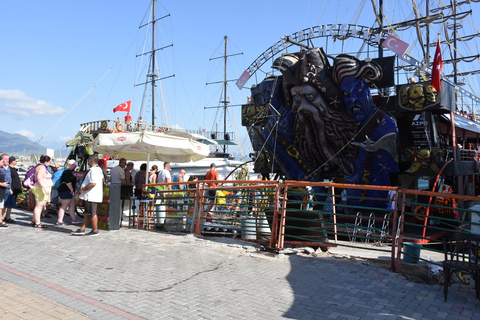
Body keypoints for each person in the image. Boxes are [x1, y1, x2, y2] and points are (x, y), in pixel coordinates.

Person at [72, 155, 103, 236]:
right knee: (87, 213)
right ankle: (82, 229)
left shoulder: (94, 170)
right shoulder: (98, 169)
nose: (88, 162)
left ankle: (95, 230)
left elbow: (93, 183)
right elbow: (103, 180)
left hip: (91, 195)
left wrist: (82, 189)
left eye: (88, 161)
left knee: (92, 213)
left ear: (91, 161)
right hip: (91, 195)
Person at [56, 160, 82, 225]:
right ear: (72, 165)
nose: (75, 167)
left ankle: (74, 219)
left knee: (71, 205)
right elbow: (68, 182)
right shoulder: (67, 172)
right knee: (64, 206)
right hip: (66, 191)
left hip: (66, 191)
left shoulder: (66, 171)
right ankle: (59, 220)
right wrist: (71, 189)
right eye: (74, 166)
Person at [31, 155, 53, 228]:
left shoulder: (39, 166)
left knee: (40, 205)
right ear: (46, 161)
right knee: (39, 206)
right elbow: (39, 178)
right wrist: (45, 188)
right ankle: (37, 222)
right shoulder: (42, 167)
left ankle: (34, 220)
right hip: (41, 188)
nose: (50, 163)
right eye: (49, 162)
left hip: (41, 188)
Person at [4, 156, 22, 223]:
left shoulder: (13, 169)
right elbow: (9, 179)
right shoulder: (9, 169)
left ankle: (7, 216)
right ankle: (7, 217)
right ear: (12, 161)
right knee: (8, 204)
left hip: (15, 189)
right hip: (12, 189)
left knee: (11, 204)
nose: (16, 162)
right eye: (15, 161)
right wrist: (10, 188)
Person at [0, 154, 12, 224]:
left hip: (7, 187)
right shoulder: (1, 168)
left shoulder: (8, 168)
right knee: (1, 204)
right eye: (5, 159)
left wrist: (10, 188)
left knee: (4, 204)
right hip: (2, 188)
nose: (7, 160)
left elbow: (9, 178)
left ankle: (1, 218)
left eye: (8, 159)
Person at [0, 158, 9, 228]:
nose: (3, 163)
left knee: (0, 207)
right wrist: (1, 184)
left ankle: (0, 220)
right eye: (2, 162)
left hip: (2, 191)